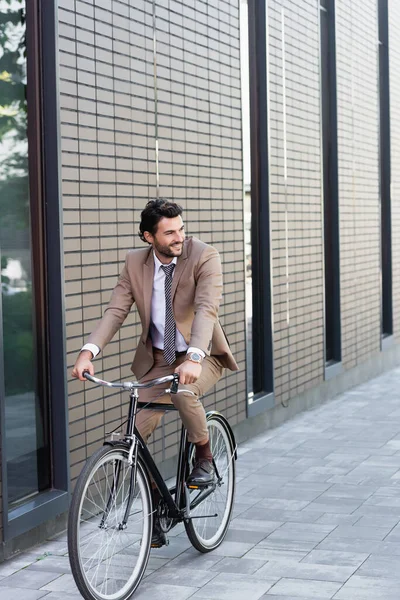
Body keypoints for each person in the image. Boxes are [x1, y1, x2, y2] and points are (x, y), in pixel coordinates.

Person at [72, 199, 238, 546]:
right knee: (131, 437)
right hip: (158, 359)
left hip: (201, 354)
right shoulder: (135, 262)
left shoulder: (204, 255)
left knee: (181, 391)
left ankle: (204, 455)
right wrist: (89, 351)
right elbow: (116, 310)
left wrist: (193, 356)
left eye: (181, 228)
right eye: (170, 232)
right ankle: (158, 507)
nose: (179, 236)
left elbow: (207, 309)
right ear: (149, 236)